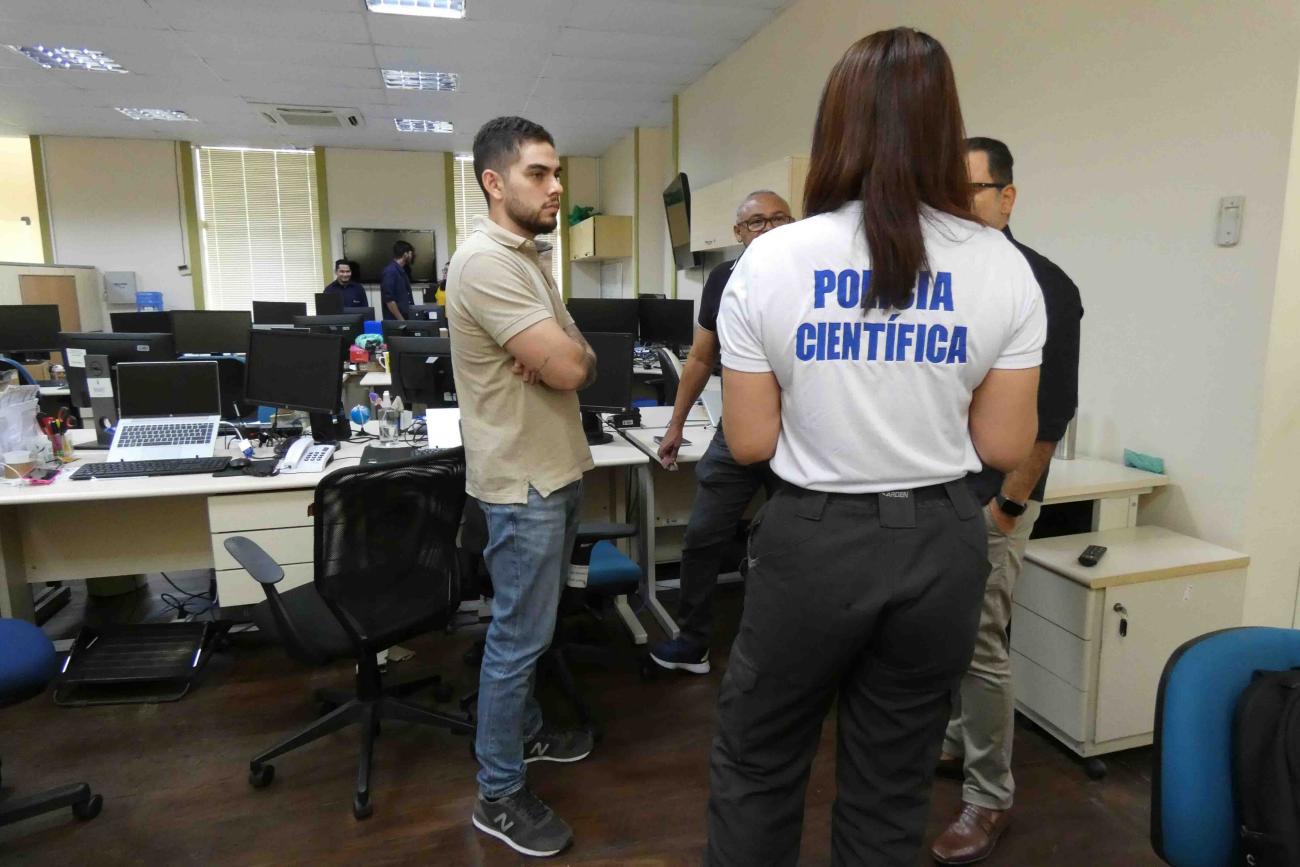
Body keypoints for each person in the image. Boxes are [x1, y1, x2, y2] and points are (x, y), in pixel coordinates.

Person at [706, 28, 1046, 866]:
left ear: (837, 128)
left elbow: (750, 440)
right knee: (891, 782)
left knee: (760, 760)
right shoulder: (1003, 266)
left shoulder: (769, 258)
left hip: (814, 540)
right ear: (944, 129)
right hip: (940, 545)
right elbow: (1003, 442)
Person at [447, 115, 598, 859]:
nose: (557, 186)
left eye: (556, 170)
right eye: (540, 173)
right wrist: (564, 357)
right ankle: (497, 794)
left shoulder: (529, 255)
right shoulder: (486, 262)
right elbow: (572, 368)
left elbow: (581, 353)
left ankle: (527, 734)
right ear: (494, 181)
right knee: (516, 640)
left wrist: (566, 354)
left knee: (532, 634)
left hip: (555, 468)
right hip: (523, 485)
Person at [930, 137, 1084, 865]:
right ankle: (959, 743)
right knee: (955, 640)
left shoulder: (1043, 284)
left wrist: (1008, 510)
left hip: (997, 500)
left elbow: (1050, 421)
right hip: (944, 491)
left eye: (972, 191)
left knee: (983, 644)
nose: (957, 207)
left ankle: (989, 797)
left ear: (1007, 197)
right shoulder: (947, 279)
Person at [648, 190, 793, 674]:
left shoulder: (817, 276)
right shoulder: (724, 280)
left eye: (779, 219)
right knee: (702, 536)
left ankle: (791, 649)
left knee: (799, 543)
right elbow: (702, 357)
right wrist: (675, 423)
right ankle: (693, 642)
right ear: (738, 233)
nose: (768, 229)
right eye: (756, 222)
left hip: (799, 436)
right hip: (737, 432)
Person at [381, 241, 415, 319]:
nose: (412, 256)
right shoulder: (390, 271)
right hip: (396, 322)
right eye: (411, 253)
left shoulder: (402, 271)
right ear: (405, 254)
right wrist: (402, 320)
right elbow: (389, 301)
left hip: (404, 319)